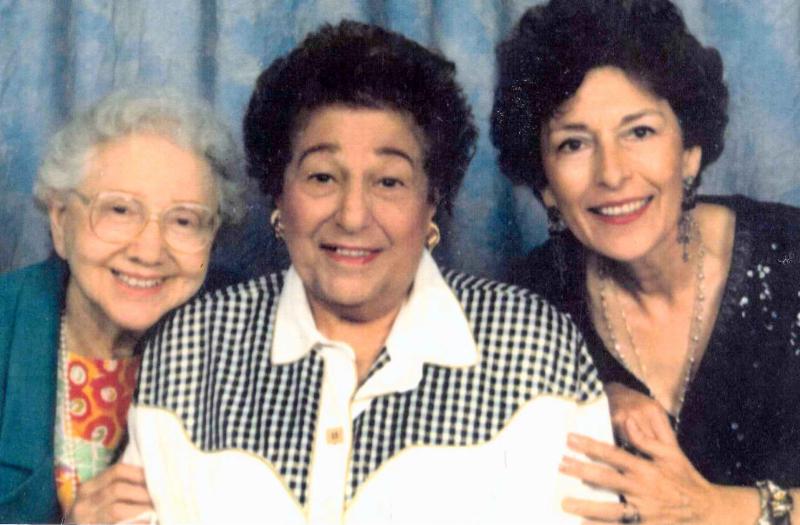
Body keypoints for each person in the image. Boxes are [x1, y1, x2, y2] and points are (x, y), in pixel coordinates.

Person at [123, 20, 615, 524]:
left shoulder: (535, 347)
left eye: (389, 181)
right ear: (279, 195)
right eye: (322, 177)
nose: (353, 216)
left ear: (431, 201)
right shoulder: (192, 346)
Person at [491, 0, 800, 523]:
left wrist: (718, 509)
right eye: (574, 144)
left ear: (690, 151)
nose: (612, 174)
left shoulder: (791, 256)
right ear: (545, 184)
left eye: (639, 132)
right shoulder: (526, 307)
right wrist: (588, 400)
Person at [0, 89, 245, 523]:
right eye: (118, 210)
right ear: (60, 220)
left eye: (184, 220)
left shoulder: (247, 335)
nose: (148, 251)